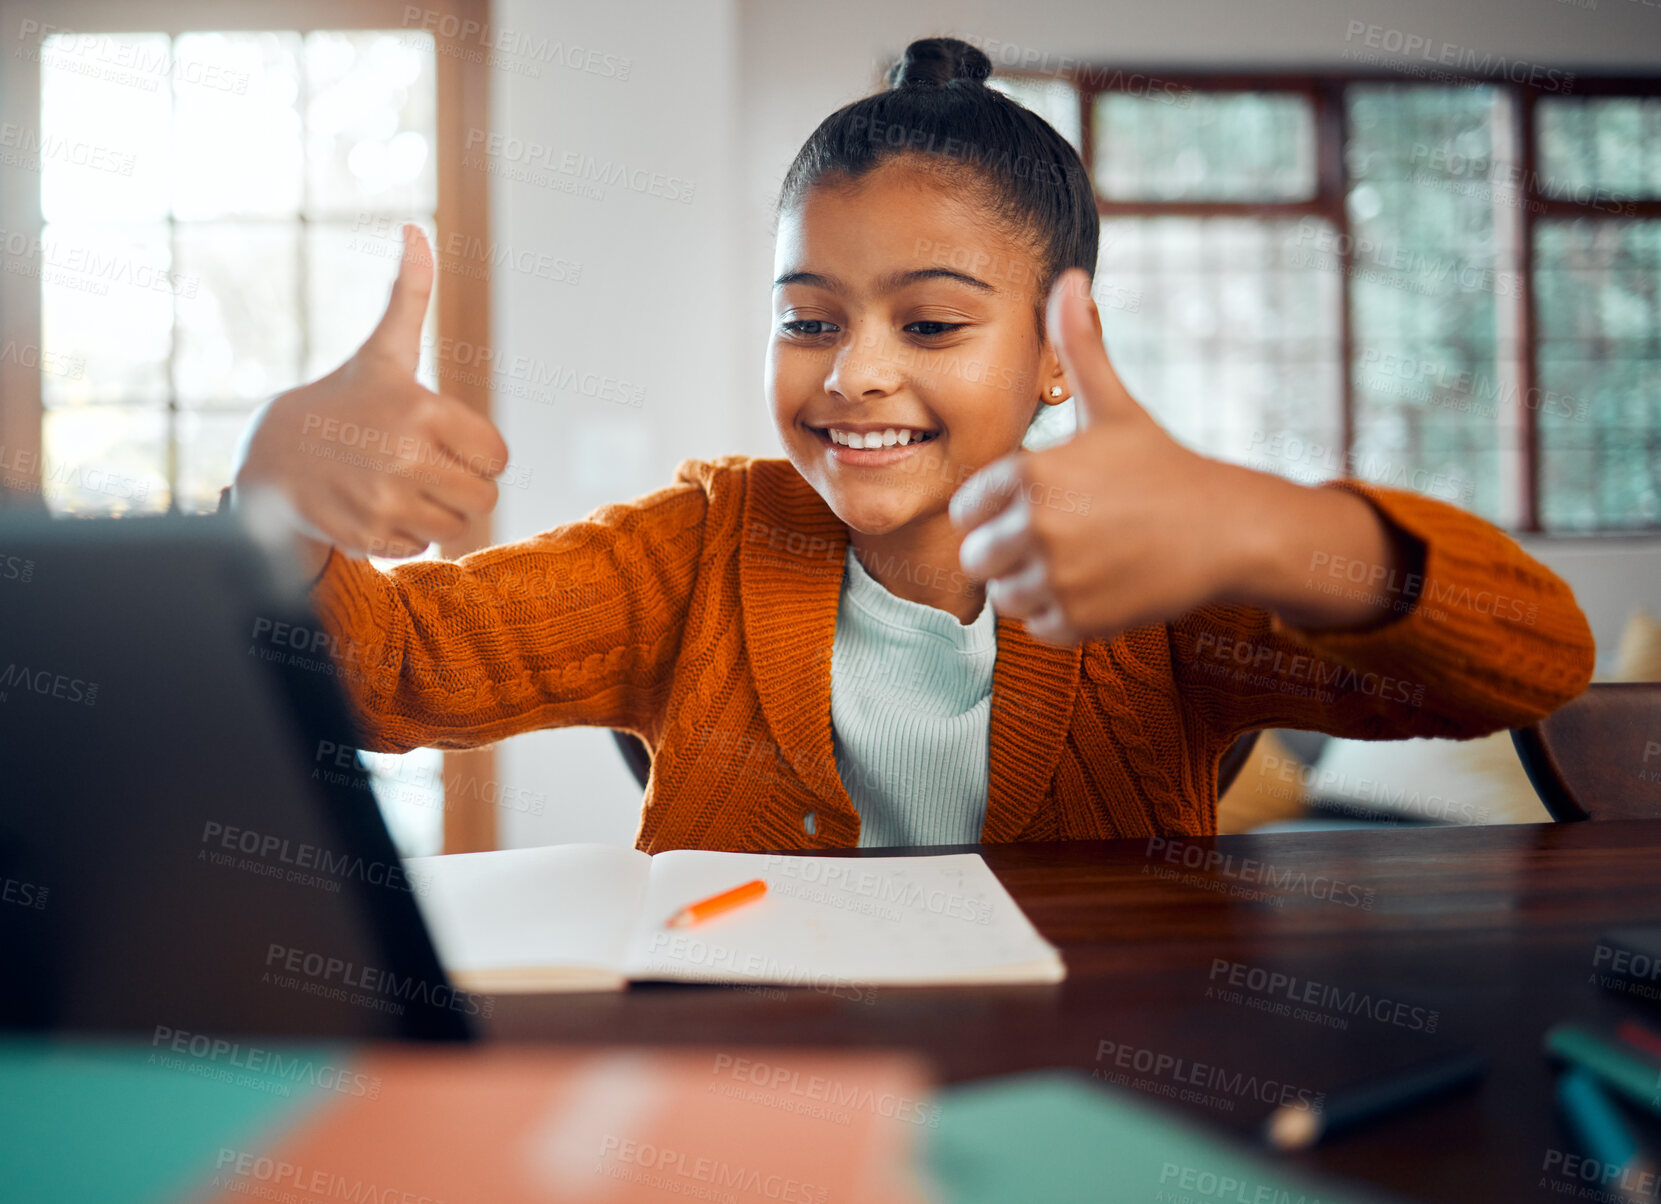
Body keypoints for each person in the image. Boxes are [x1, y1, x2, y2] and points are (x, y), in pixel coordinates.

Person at [228, 37, 1594, 852]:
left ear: (1059, 351)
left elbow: (1532, 662)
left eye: (932, 324)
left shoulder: (1160, 576)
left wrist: (1264, 525)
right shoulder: (698, 547)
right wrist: (276, 502)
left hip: (1088, 1073)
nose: (854, 372)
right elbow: (384, 679)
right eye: (806, 318)